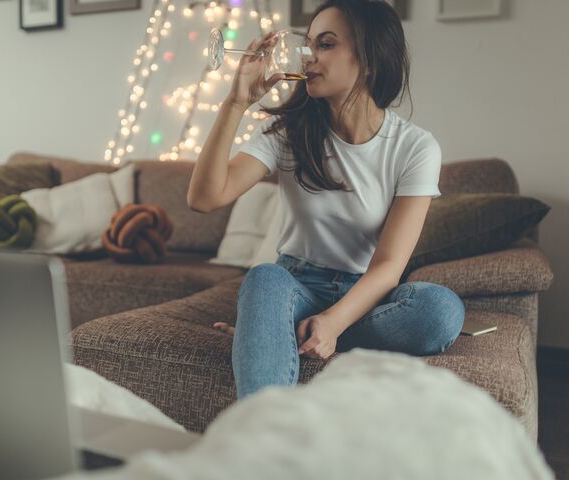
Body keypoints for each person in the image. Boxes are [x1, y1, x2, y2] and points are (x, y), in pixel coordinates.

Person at [186, 0, 465, 399]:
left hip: (369, 295)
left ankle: (283, 333)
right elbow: (205, 198)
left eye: (326, 44)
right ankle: (262, 430)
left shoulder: (415, 147)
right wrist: (235, 103)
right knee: (263, 278)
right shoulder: (288, 133)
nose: (308, 56)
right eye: (309, 43)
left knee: (440, 310)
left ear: (369, 59)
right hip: (297, 283)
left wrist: (333, 323)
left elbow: (388, 267)